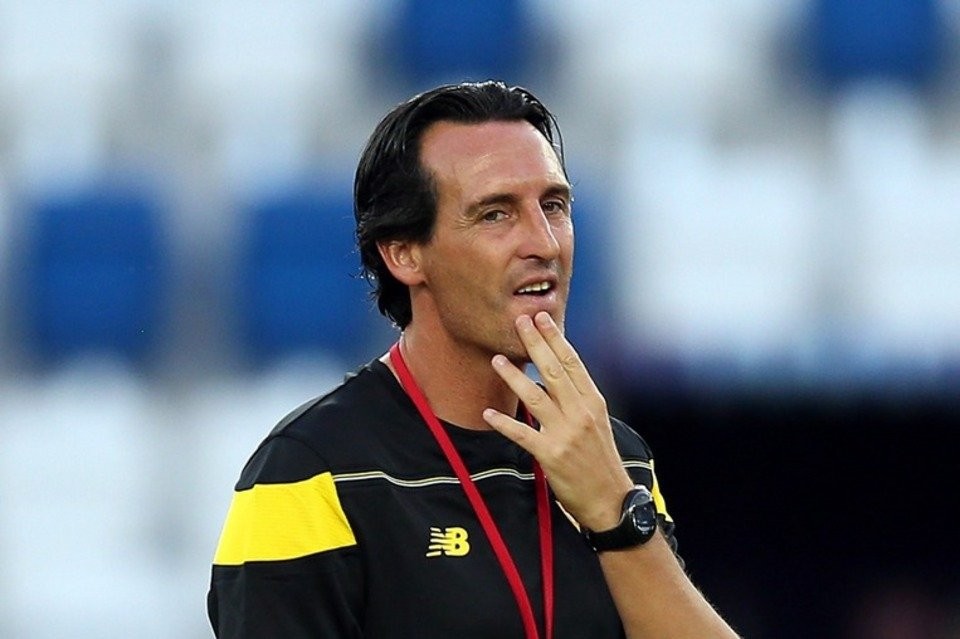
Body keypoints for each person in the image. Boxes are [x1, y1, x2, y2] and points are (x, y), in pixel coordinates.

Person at [207, 80, 739, 638]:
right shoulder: (313, 472)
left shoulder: (616, 458)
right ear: (404, 253)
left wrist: (615, 512)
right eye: (495, 214)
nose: (545, 243)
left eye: (554, 206)